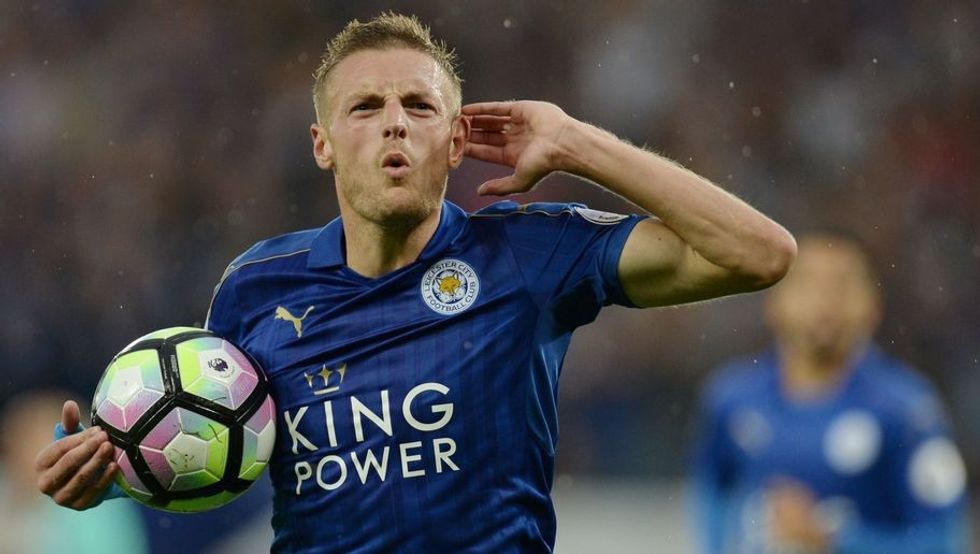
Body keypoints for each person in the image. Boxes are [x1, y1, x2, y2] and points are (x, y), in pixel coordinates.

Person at [35, 12, 796, 553]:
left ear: (457, 138)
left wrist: (581, 144)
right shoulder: (255, 288)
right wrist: (123, 471)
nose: (394, 123)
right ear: (323, 145)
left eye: (419, 106)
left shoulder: (527, 255)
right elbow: (225, 456)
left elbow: (758, 254)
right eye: (365, 107)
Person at [691, 233, 970, 553]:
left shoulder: (908, 409)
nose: (825, 299)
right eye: (808, 282)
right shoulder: (730, 399)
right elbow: (713, 499)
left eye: (842, 284)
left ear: (872, 306)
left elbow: (945, 541)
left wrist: (835, 541)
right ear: (773, 302)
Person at [1, 391, 148, 554]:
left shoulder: (96, 503)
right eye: (22, 439)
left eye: (37, 439)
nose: (26, 452)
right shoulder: (5, 489)